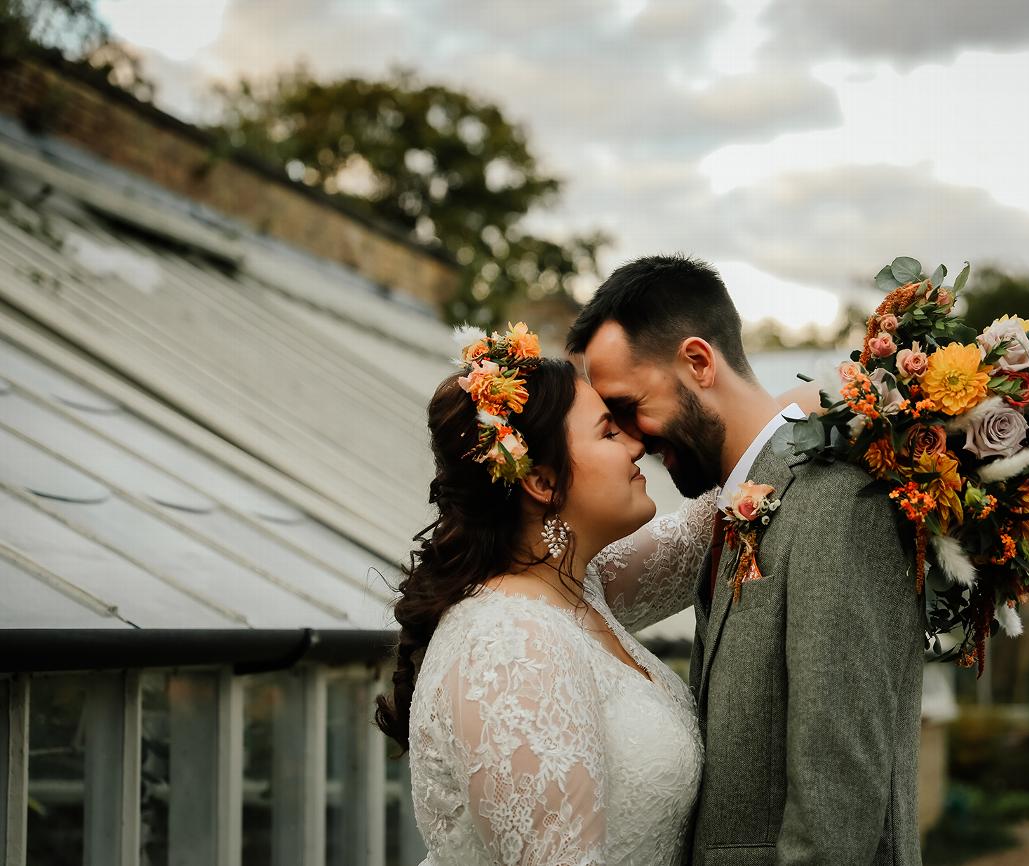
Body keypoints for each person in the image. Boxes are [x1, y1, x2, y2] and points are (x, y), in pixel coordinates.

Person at [567, 254, 927, 865]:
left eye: (629, 407)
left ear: (699, 362)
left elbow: (836, 799)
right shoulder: (743, 498)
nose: (631, 439)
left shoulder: (836, 500)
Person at [375, 328, 718, 866]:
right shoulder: (509, 644)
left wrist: (873, 394)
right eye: (608, 434)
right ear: (540, 479)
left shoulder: (581, 589)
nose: (636, 445)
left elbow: (713, 524)